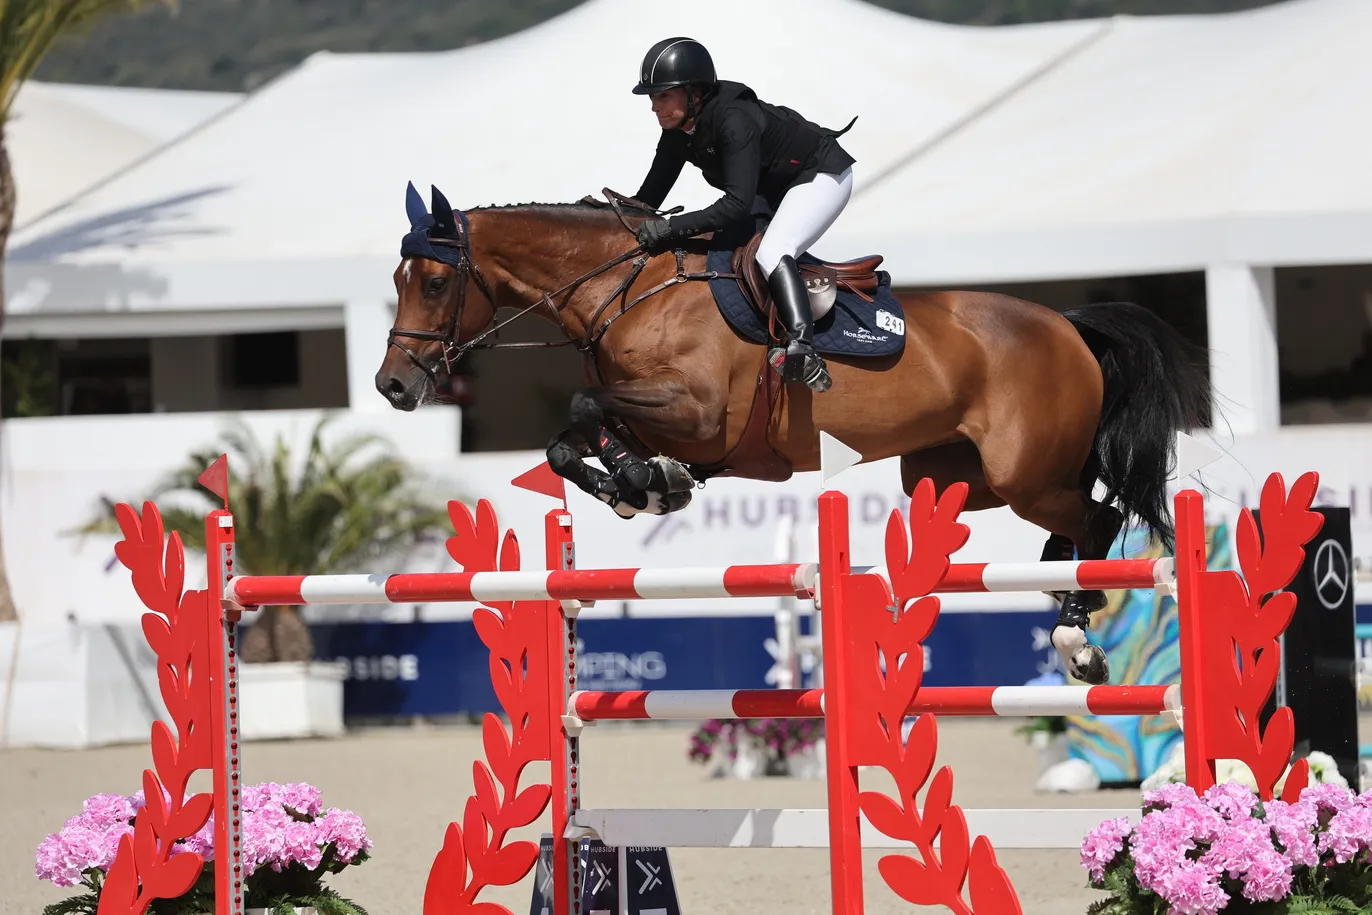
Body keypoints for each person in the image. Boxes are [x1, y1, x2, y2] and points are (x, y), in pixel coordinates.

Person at [627, 37, 857, 394]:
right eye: (653, 98)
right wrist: (598, 214)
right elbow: (647, 201)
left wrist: (671, 228)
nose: (655, 107)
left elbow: (735, 204)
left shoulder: (734, 120)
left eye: (664, 96)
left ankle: (802, 347)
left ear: (695, 93)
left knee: (772, 251)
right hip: (772, 189)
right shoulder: (677, 132)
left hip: (820, 174)